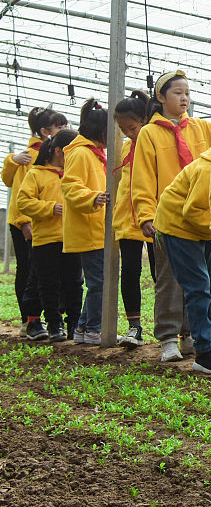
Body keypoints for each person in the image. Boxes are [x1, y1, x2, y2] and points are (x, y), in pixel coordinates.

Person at [132, 70, 211, 362]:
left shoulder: (200, 128)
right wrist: (146, 214)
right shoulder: (149, 132)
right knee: (170, 279)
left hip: (199, 217)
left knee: (204, 281)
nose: (184, 98)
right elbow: (142, 176)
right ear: (161, 98)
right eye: (177, 93)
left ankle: (192, 336)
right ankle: (168, 338)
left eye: (187, 93)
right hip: (168, 218)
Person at [154, 147, 211, 374]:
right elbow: (192, 211)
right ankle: (203, 352)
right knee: (199, 287)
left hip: (203, 228)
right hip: (178, 227)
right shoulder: (208, 169)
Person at [3, 107, 67, 337]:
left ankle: (48, 319)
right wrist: (24, 222)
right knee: (30, 270)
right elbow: (20, 192)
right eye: (59, 127)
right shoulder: (31, 156)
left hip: (47, 223)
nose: (63, 130)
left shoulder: (58, 156)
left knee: (46, 272)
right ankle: (28, 320)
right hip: (27, 223)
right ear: (44, 131)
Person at [16, 129, 80, 342]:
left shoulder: (73, 174)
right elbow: (23, 202)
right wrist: (50, 208)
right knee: (48, 283)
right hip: (45, 239)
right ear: (59, 152)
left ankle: (74, 325)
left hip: (71, 238)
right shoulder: (36, 174)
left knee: (73, 283)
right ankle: (54, 325)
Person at [61, 100, 111, 345]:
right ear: (100, 131)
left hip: (96, 228)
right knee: (98, 283)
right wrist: (93, 197)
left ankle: (82, 328)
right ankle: (93, 329)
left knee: (97, 282)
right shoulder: (81, 153)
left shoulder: (94, 154)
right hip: (88, 229)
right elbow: (70, 186)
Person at [113, 91, 155, 347]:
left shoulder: (154, 141)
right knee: (129, 271)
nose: (128, 133)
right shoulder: (127, 147)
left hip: (153, 216)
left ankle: (169, 329)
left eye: (132, 127)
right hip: (128, 219)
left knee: (161, 273)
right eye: (123, 129)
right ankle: (134, 327)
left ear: (144, 119)